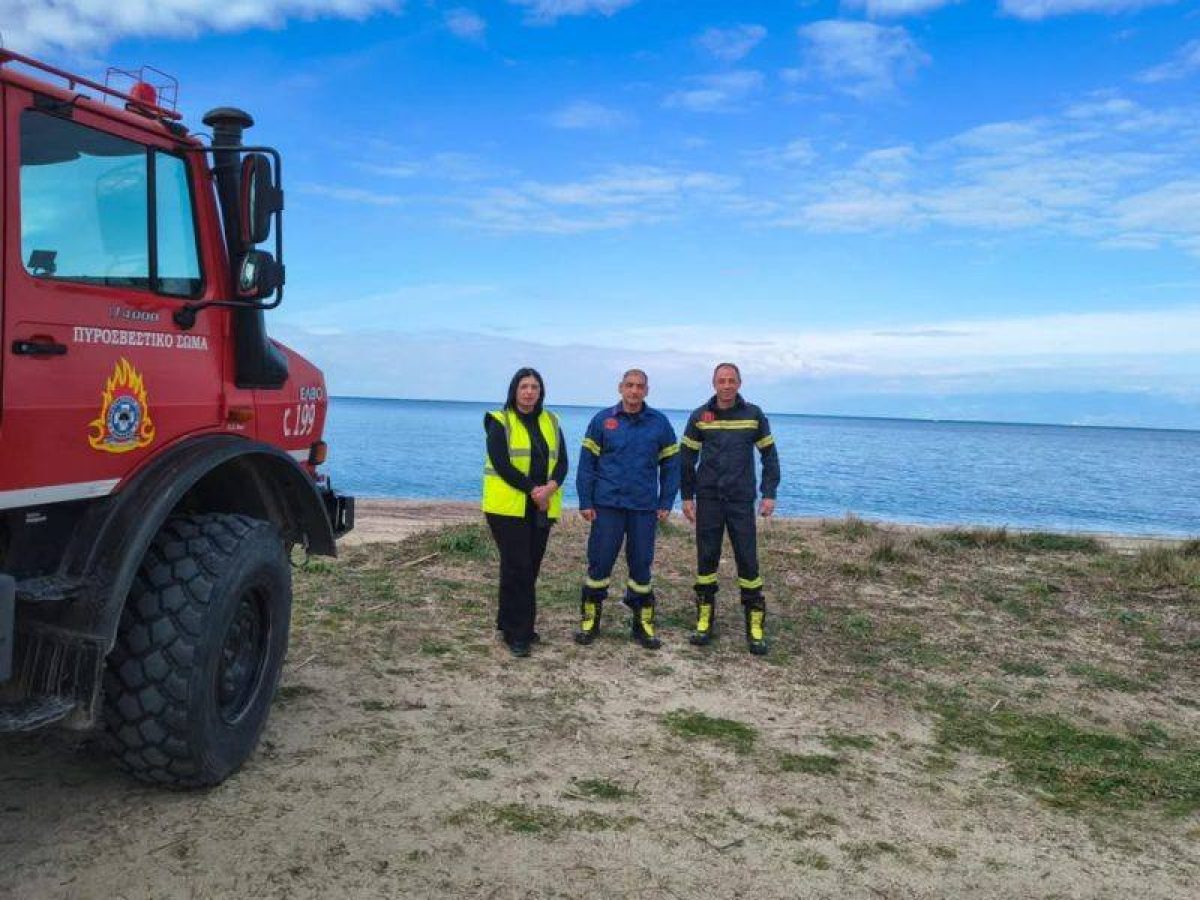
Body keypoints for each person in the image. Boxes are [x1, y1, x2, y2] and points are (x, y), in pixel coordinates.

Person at [575, 369, 680, 650]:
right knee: (599, 562)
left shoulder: (659, 423)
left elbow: (671, 466)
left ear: (647, 390)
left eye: (640, 387)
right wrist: (585, 501)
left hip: (643, 508)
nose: (634, 391)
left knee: (641, 564)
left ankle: (642, 623)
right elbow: (587, 464)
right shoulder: (602, 420)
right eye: (629, 386)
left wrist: (666, 501)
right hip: (607, 505)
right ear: (620, 388)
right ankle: (590, 620)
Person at [680, 362, 780, 655]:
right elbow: (686, 459)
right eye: (721, 380)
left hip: (740, 500)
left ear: (739, 383)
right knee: (706, 561)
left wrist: (769, 493)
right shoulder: (700, 416)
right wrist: (686, 497)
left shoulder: (754, 415)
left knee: (748, 562)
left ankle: (755, 626)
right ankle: (704, 621)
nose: (726, 385)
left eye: (731, 380)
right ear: (714, 383)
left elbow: (769, 456)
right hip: (708, 499)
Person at [481, 367, 567, 657]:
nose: (529, 391)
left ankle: (508, 622)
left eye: (534, 386)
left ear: (541, 391)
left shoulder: (552, 420)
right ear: (514, 391)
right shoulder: (499, 421)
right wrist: (535, 491)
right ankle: (520, 634)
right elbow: (503, 465)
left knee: (528, 567)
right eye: (524, 386)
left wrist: (550, 488)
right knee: (519, 567)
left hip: (542, 508)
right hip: (508, 509)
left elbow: (563, 462)